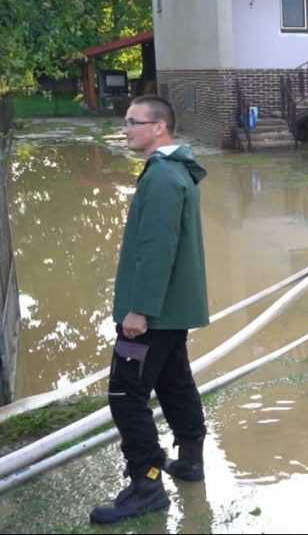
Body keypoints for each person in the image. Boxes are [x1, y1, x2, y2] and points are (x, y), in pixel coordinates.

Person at [90, 96, 210, 525]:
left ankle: (147, 484)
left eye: (133, 122)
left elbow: (156, 251)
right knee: (175, 382)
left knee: (125, 394)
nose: (126, 130)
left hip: (153, 313)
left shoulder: (162, 178)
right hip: (174, 309)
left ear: (159, 127)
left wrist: (138, 311)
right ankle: (191, 459)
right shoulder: (178, 170)